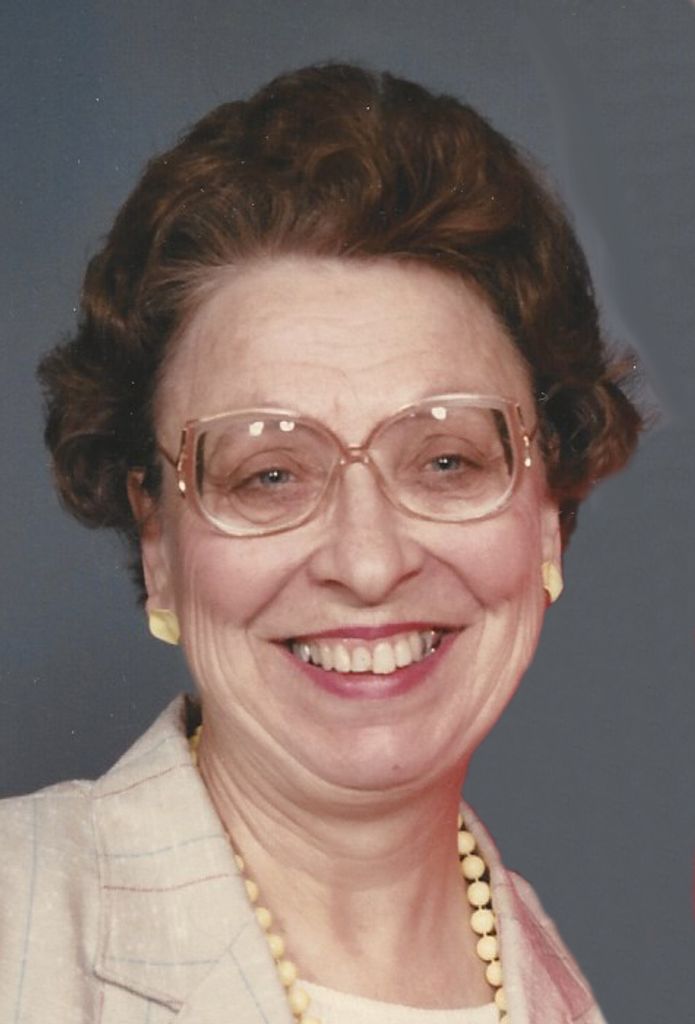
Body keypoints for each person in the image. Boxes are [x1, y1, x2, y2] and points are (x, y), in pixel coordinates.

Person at [0, 64, 641, 1023]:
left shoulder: (551, 986)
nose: (369, 562)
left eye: (446, 461)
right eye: (269, 475)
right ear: (159, 542)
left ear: (545, 510)